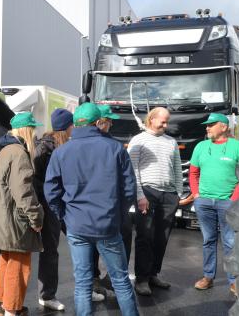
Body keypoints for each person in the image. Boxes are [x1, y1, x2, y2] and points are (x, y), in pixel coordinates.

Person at [45, 102, 139, 316]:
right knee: (121, 280)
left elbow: (51, 191)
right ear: (98, 122)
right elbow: (128, 190)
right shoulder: (115, 148)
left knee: (83, 283)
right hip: (107, 225)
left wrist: (64, 217)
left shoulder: (62, 152)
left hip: (77, 225)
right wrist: (117, 215)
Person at [0, 111, 45, 316]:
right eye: (32, 129)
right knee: (19, 266)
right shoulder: (19, 153)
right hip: (16, 222)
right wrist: (36, 218)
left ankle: (5, 305)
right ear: (26, 130)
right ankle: (11, 309)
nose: (34, 134)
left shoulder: (5, 151)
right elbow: (23, 192)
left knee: (6, 261)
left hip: (4, 220)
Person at [190, 113, 239, 297]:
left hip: (228, 203)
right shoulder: (201, 146)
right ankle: (208, 277)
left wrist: (234, 198)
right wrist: (197, 194)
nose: (207, 128)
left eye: (211, 125)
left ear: (223, 127)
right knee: (208, 240)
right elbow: (193, 173)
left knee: (230, 242)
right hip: (204, 202)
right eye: (206, 125)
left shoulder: (238, 147)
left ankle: (234, 281)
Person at [33, 108, 86, 311]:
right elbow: (39, 180)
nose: (75, 128)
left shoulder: (55, 145)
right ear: (67, 127)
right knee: (50, 250)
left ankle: (87, 287)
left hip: (59, 203)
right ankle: (47, 295)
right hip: (51, 206)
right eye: (72, 125)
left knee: (80, 243)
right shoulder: (47, 148)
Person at [127, 107, 182, 296]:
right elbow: (132, 171)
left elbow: (176, 168)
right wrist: (140, 196)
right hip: (147, 193)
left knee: (162, 237)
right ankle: (141, 279)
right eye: (163, 121)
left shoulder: (171, 142)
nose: (166, 125)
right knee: (145, 236)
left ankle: (153, 274)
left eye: (167, 121)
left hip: (169, 195)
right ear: (151, 119)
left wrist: (178, 194)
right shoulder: (138, 140)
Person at [92, 105, 133, 294]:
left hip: (99, 209)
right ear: (100, 122)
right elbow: (128, 182)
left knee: (121, 237)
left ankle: (107, 279)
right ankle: (97, 280)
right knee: (96, 246)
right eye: (109, 120)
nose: (111, 124)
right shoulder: (114, 147)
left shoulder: (114, 145)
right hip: (106, 208)